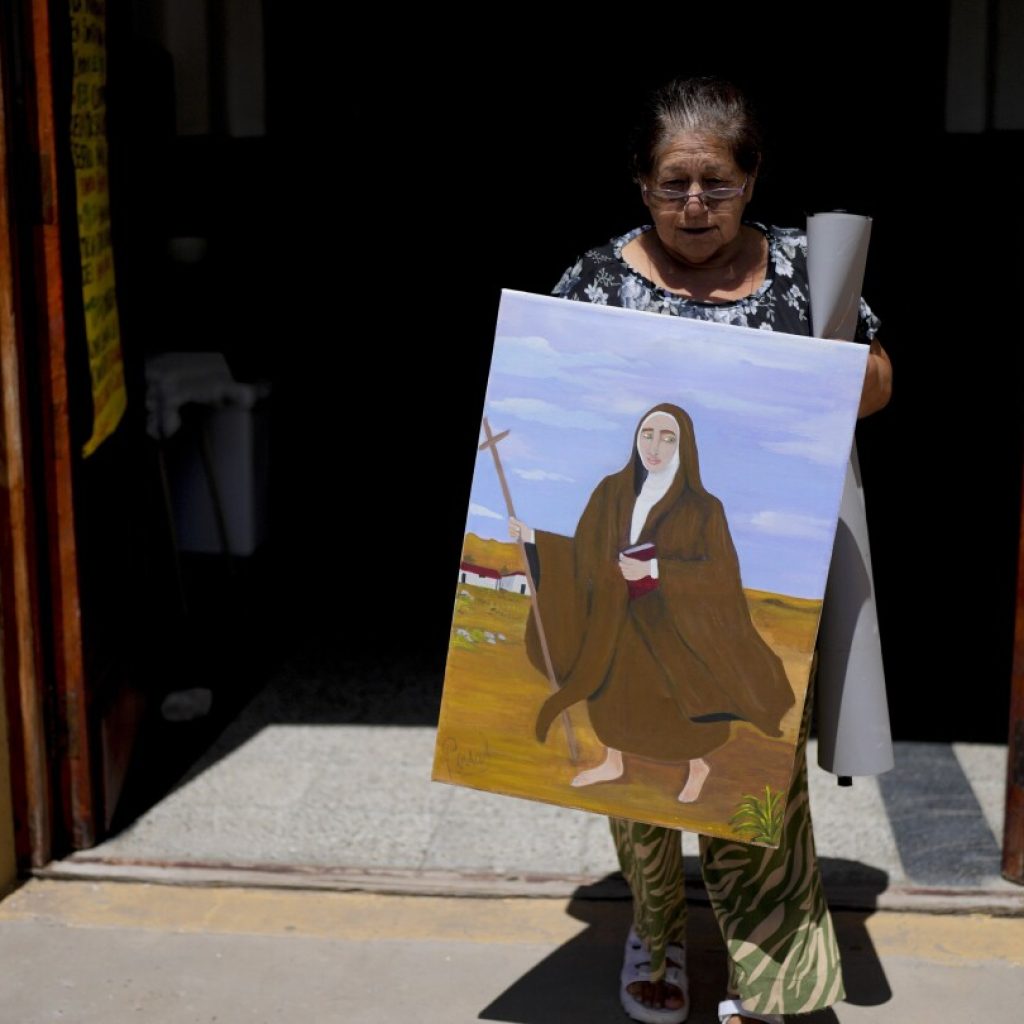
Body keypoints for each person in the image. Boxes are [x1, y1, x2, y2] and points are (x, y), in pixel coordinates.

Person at [538, 76, 892, 1024]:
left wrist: (824, 374)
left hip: (741, 581)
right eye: (672, 185)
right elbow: (559, 426)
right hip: (624, 596)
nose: (695, 205)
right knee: (639, 777)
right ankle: (654, 926)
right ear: (642, 185)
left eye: (717, 185)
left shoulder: (800, 274)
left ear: (752, 177)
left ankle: (767, 964)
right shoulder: (595, 281)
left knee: (748, 775)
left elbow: (881, 380)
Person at [510, 402, 794, 806]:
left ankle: (697, 765)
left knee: (676, 702)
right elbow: (587, 551)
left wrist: (657, 570)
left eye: (667, 437)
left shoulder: (703, 508)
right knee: (616, 693)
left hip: (673, 625)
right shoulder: (612, 489)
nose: (654, 446)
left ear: (684, 446)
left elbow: (720, 573)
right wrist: (537, 538)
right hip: (618, 617)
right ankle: (614, 761)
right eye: (647, 434)